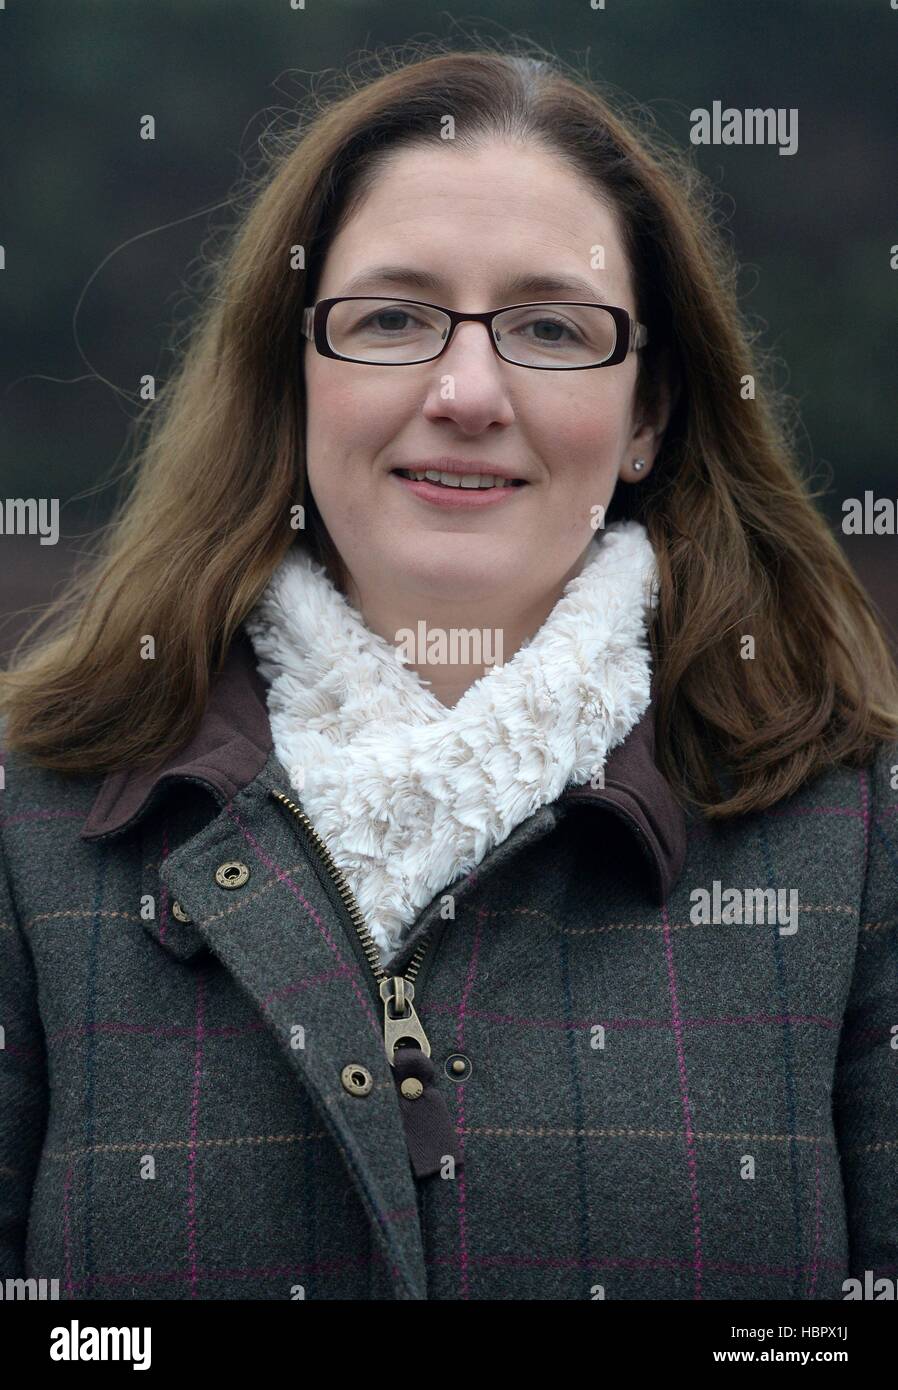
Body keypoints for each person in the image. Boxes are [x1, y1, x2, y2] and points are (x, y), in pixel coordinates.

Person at [1, 45, 896, 1303]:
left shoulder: (853, 838)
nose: (466, 391)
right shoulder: (36, 832)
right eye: (390, 318)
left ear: (647, 413)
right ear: (290, 377)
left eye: (549, 327)